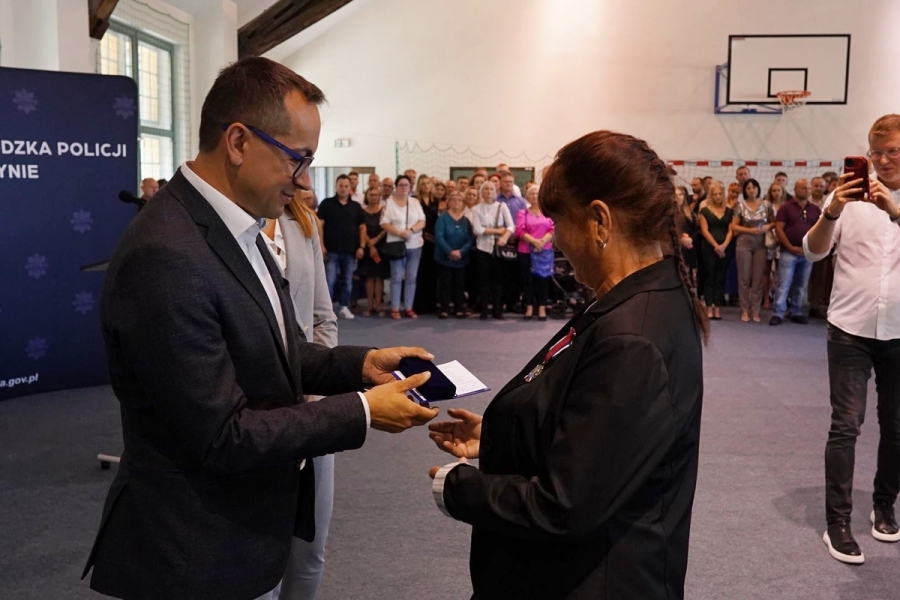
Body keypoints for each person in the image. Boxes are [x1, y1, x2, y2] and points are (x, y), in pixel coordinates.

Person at [81, 56, 439, 600]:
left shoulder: (236, 228)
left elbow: (275, 345)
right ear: (239, 142)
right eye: (298, 160)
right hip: (190, 553)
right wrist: (363, 411)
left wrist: (360, 366)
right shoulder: (166, 253)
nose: (302, 183)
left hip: (236, 533)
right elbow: (221, 435)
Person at [428, 130, 705, 599]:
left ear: (599, 221)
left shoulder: (632, 335)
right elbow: (598, 428)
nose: (555, 240)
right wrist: (503, 437)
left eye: (559, 223)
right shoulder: (636, 301)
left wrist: (455, 488)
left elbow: (566, 506)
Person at [804, 114, 900, 564]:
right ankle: (837, 522)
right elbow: (814, 249)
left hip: (899, 331)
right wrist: (832, 210)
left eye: (892, 152)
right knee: (846, 425)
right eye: (875, 152)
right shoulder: (847, 197)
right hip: (849, 329)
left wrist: (895, 211)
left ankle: (884, 507)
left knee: (896, 428)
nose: (881, 161)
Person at [260, 190, 334, 600]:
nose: (300, 170)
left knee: (310, 550)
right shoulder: (230, 227)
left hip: (315, 408)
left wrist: (318, 390)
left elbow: (323, 317)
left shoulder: (303, 221)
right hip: (257, 415)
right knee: (260, 557)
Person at [769, 179, 820, 326]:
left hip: (807, 253)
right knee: (784, 283)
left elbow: (819, 230)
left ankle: (796, 311)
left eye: (808, 188)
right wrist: (790, 247)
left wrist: (810, 248)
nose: (807, 190)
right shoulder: (786, 208)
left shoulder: (815, 209)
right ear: (796, 189)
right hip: (788, 252)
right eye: (803, 188)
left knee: (801, 284)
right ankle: (778, 312)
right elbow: (779, 229)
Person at [316, 174, 365, 320]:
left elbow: (362, 227)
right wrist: (321, 245)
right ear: (336, 187)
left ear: (350, 188)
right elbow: (320, 226)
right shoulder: (326, 204)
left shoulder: (356, 207)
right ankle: (327, 310)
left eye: (346, 186)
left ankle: (344, 307)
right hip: (331, 250)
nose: (343, 189)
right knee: (329, 281)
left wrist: (361, 246)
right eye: (341, 186)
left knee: (347, 281)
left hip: (350, 251)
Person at [381, 175, 426, 319]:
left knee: (411, 277)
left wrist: (410, 231)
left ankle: (408, 307)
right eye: (401, 185)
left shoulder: (415, 202)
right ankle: (395, 308)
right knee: (396, 277)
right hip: (396, 244)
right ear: (396, 186)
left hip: (415, 244)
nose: (404, 188)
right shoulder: (389, 203)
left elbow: (422, 221)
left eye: (406, 185)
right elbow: (384, 223)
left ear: (410, 187)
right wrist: (400, 233)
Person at [731, 178, 774, 322]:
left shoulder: (767, 205)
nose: (751, 190)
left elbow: (774, 223)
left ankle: (755, 310)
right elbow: (734, 226)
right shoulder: (740, 206)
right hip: (744, 243)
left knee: (757, 279)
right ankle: (744, 310)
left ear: (758, 189)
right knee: (744, 279)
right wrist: (750, 230)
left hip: (761, 244)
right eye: (748, 188)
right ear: (745, 191)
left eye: (754, 187)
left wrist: (766, 228)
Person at [470, 180, 514, 320]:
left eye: (491, 189)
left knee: (498, 281)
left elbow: (511, 226)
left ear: (495, 192)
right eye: (486, 189)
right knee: (483, 281)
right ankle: (484, 310)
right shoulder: (476, 209)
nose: (489, 191)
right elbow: (478, 229)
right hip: (482, 248)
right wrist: (497, 230)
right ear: (482, 191)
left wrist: (504, 237)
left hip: (499, 247)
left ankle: (497, 310)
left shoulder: (502, 206)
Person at [515, 184, 554, 320]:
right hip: (525, 251)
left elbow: (553, 229)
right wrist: (535, 242)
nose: (535, 196)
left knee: (543, 280)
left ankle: (542, 307)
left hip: (545, 251)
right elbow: (520, 231)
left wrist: (542, 242)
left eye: (537, 193)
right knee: (527, 280)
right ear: (527, 196)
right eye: (532, 193)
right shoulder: (522, 213)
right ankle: (529, 306)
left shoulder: (548, 213)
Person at [434, 191, 474, 319]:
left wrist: (460, 252)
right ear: (448, 202)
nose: (456, 202)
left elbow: (470, 238)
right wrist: (450, 252)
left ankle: (458, 308)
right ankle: (445, 308)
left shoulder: (466, 220)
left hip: (461, 258)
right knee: (445, 283)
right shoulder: (442, 218)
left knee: (459, 284)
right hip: (444, 257)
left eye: (459, 200)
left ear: (463, 203)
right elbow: (439, 236)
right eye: (453, 199)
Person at [699, 181, 733, 320]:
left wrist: (724, 245)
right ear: (710, 196)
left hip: (725, 248)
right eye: (715, 194)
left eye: (720, 194)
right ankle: (708, 306)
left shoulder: (729, 210)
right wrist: (716, 246)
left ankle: (717, 307)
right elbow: (704, 230)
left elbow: (731, 231)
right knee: (709, 277)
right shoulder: (705, 211)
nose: (718, 196)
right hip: (708, 247)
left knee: (721, 277)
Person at [359, 187, 390, 317]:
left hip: (381, 247)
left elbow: (386, 227)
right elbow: (361, 228)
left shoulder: (384, 210)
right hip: (367, 246)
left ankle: (379, 305)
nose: (373, 197)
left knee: (379, 277)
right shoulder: (362, 211)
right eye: (371, 194)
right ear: (367, 196)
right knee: (369, 277)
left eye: (376, 195)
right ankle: (370, 305)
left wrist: (375, 241)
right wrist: (369, 243)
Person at [414, 176, 439, 314]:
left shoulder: (436, 201)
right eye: (422, 183)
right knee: (420, 272)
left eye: (428, 183)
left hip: (433, 241)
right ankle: (419, 304)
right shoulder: (414, 200)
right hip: (418, 238)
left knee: (432, 273)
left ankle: (431, 304)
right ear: (419, 185)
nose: (425, 185)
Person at [761, 181, 787, 310]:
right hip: (769, 240)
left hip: (782, 241)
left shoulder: (786, 206)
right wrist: (772, 228)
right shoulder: (765, 206)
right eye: (774, 190)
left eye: (778, 190)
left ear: (783, 192)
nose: (776, 193)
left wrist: (780, 236)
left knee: (780, 272)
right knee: (766, 271)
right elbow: (761, 222)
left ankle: (778, 298)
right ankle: (766, 298)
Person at [675, 185, 698, 291]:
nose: (678, 197)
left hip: (689, 248)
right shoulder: (669, 214)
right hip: (676, 248)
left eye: (680, 194)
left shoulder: (690, 213)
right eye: (675, 195)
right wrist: (680, 239)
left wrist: (690, 239)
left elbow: (697, 230)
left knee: (689, 277)